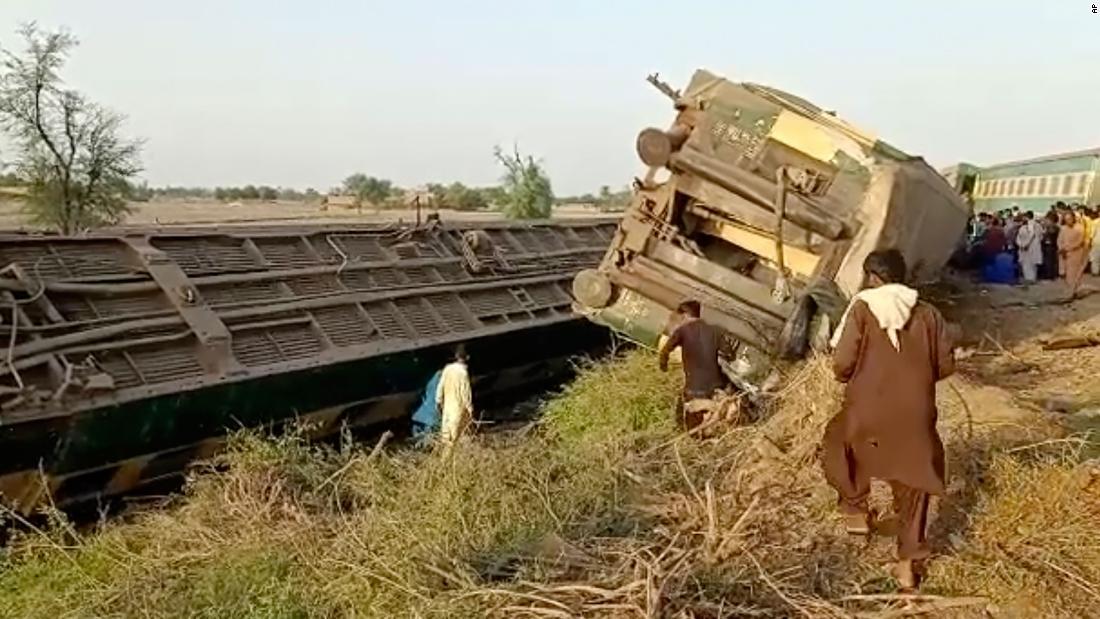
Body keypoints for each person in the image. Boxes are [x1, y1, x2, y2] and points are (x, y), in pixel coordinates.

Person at [822, 249, 955, 590]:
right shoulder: (929, 313)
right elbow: (945, 366)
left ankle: (855, 511)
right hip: (915, 413)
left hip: (867, 409)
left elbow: (841, 365)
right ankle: (908, 563)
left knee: (839, 444)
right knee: (915, 479)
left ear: (872, 277)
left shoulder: (863, 307)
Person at [658, 300, 730, 433]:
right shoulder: (715, 330)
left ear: (685, 315)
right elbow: (729, 355)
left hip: (695, 389)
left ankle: (698, 434)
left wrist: (663, 366)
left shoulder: (682, 331)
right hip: (717, 384)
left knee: (682, 422)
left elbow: (665, 351)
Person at [436, 345, 473, 452]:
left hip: (446, 409)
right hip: (458, 410)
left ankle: (443, 464)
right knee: (454, 440)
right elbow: (465, 394)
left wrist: (438, 402)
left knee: (446, 439)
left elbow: (440, 388)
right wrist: (470, 410)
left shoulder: (447, 369)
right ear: (467, 358)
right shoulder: (463, 373)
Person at [1058, 211, 1088, 298]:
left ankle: (1072, 292)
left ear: (1073, 218)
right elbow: (1059, 240)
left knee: (1074, 274)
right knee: (1066, 273)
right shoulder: (1063, 228)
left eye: (1070, 219)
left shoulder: (1080, 228)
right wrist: (1061, 248)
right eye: (1066, 219)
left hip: (1076, 254)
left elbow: (1080, 241)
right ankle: (1071, 291)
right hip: (1064, 254)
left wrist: (1068, 248)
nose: (1068, 221)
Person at [1015, 211, 1043, 284]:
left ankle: (1029, 279)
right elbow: (1041, 236)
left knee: (1028, 264)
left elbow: (1031, 235)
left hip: (1028, 247)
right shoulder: (1038, 225)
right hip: (1031, 247)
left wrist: (1025, 244)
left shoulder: (1030, 225)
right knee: (1031, 264)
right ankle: (1032, 278)